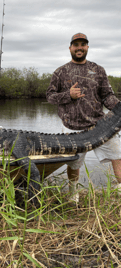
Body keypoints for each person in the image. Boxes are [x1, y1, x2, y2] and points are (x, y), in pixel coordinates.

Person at [46, 33, 121, 202]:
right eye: (76, 44)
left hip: (100, 125)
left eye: (83, 44)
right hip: (72, 128)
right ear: (70, 48)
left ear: (87, 47)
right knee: (74, 163)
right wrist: (68, 95)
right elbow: (50, 96)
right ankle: (73, 195)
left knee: (118, 156)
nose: (79, 47)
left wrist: (118, 107)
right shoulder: (60, 72)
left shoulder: (98, 70)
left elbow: (107, 96)